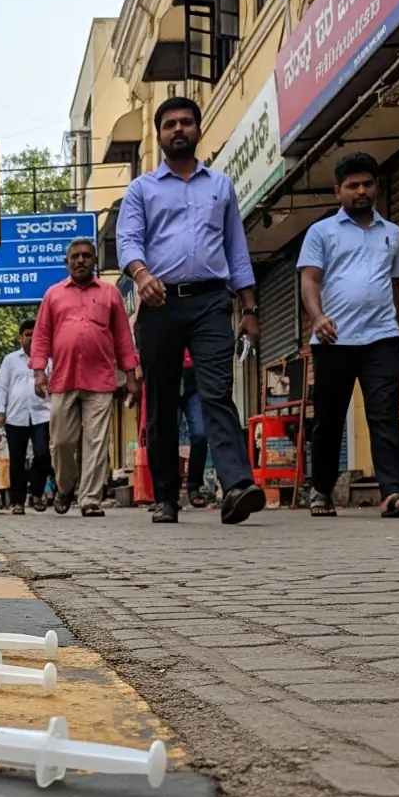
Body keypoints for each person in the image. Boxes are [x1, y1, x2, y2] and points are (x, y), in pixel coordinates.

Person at [117, 96, 265, 526]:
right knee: (162, 402)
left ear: (198, 130)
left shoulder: (220, 185)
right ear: (160, 135)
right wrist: (142, 275)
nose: (178, 129)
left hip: (211, 302)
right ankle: (166, 497)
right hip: (159, 304)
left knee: (216, 391)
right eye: (170, 124)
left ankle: (237, 485)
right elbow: (128, 241)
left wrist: (250, 308)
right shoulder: (142, 189)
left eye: (186, 122)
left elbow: (236, 250)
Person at [298, 151, 399, 519]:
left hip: (382, 339)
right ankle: (322, 490)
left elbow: (394, 285)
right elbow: (310, 280)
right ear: (337, 190)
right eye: (352, 185)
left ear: (376, 186)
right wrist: (317, 318)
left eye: (367, 184)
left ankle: (393, 493)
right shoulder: (321, 232)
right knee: (329, 419)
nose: (361, 191)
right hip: (334, 340)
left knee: (384, 415)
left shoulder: (392, 233)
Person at [30, 236, 139, 517]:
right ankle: (65, 486)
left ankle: (90, 499)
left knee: (96, 442)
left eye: (86, 256)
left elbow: (123, 338)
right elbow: (41, 337)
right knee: (61, 442)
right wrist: (39, 372)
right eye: (75, 256)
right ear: (67, 262)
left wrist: (130, 376)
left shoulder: (110, 294)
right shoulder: (53, 294)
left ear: (94, 261)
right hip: (63, 378)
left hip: (100, 379)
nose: (81, 260)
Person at [0, 318, 52, 515]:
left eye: (35, 335)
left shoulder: (48, 360)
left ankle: (36, 492)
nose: (31, 339)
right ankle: (17, 501)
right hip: (15, 416)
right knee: (17, 460)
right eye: (27, 335)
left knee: (43, 455)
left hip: (42, 415)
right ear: (20, 338)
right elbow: (1, 386)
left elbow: (54, 384)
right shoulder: (10, 360)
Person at [179, 349, 209, 508]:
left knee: (200, 434)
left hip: (195, 375)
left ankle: (194, 486)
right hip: (169, 373)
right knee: (167, 435)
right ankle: (168, 492)